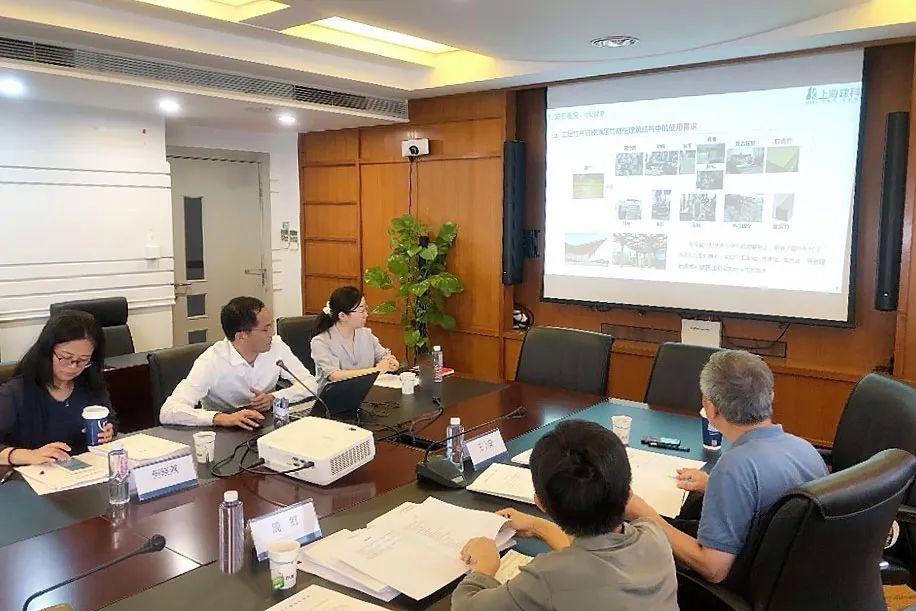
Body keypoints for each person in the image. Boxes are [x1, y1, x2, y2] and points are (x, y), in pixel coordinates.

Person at [625, 349, 828, 585]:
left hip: (741, 587)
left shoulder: (733, 467)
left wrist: (644, 515)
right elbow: (773, 504)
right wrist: (712, 485)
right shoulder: (805, 450)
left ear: (711, 408)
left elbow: (713, 568)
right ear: (770, 396)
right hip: (794, 581)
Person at [452, 420, 679, 611]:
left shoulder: (546, 579)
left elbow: (465, 606)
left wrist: (485, 565)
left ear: (540, 502)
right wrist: (539, 527)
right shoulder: (654, 536)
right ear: (628, 492)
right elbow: (593, 562)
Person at [159, 296, 319, 430]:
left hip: (265, 425)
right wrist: (221, 418)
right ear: (241, 335)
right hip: (224, 433)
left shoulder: (276, 346)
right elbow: (168, 411)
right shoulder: (212, 360)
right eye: (265, 329)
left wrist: (274, 398)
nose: (272, 333)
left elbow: (310, 384)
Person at [0, 310, 116, 466]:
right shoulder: (14, 393)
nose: (73, 366)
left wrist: (109, 431)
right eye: (66, 357)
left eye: (83, 360)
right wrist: (28, 455)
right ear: (47, 351)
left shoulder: (90, 384)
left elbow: (111, 419)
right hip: (36, 473)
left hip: (85, 469)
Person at [310, 286, 399, 389]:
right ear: (342, 316)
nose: (366, 314)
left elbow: (383, 356)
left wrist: (390, 362)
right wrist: (376, 370)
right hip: (334, 395)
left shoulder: (366, 334)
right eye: (361, 311)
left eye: (365, 309)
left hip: (366, 392)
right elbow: (334, 375)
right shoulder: (320, 342)